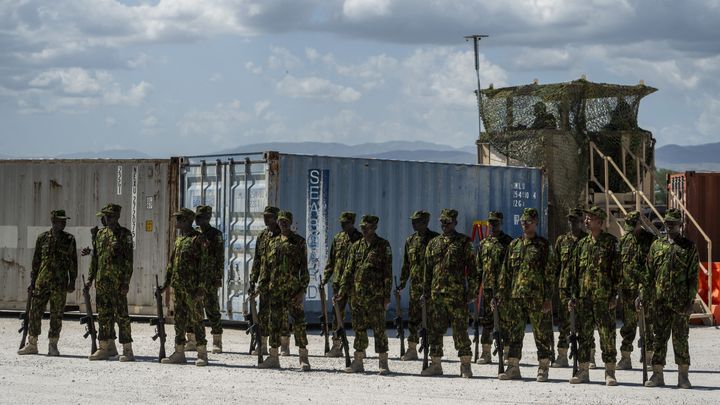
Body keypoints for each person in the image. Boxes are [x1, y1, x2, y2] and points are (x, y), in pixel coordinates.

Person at [495, 208, 553, 382]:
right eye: (522, 221)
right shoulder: (514, 245)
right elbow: (505, 272)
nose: (525, 224)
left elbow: (550, 273)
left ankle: (543, 367)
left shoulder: (543, 245)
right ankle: (513, 366)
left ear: (535, 222)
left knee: (541, 333)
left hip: (537, 297)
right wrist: (500, 294)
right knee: (514, 333)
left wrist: (548, 297)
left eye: (528, 221)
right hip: (516, 297)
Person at [644, 209, 699, 389]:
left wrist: (690, 301)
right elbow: (648, 274)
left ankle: (683, 376)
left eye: (674, 223)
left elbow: (693, 276)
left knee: (681, 338)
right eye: (667, 222)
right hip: (659, 302)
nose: (670, 226)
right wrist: (642, 294)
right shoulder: (656, 246)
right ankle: (657, 374)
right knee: (658, 338)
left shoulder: (689, 247)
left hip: (680, 302)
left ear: (680, 225)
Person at [421, 209, 477, 378]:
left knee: (460, 330)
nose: (445, 225)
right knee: (435, 330)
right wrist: (425, 292)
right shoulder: (433, 243)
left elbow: (473, 269)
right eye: (442, 222)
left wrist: (472, 291)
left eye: (448, 222)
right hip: (437, 294)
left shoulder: (464, 242)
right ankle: (436, 364)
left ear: (455, 223)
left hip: (457, 295)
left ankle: (465, 365)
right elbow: (427, 270)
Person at [569, 206, 620, 386]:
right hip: (584, 298)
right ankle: (583, 370)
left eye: (590, 218)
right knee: (584, 335)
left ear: (599, 221)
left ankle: (610, 372)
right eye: (586, 218)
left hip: (604, 298)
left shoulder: (611, 242)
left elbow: (617, 272)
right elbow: (574, 272)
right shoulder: (581, 244)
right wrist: (573, 296)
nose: (586, 220)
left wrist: (614, 296)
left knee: (607, 334)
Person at [336, 215, 393, 375]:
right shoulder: (356, 247)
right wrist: (342, 289)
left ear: (374, 227)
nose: (363, 230)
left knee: (379, 329)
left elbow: (387, 272)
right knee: (359, 328)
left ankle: (383, 362)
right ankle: (358, 361)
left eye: (366, 228)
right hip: (357, 296)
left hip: (376, 296)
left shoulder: (383, 245)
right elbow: (348, 270)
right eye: (362, 228)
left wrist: (386, 295)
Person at [18, 210, 77, 356]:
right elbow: (36, 261)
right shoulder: (42, 238)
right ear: (53, 221)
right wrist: (33, 281)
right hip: (42, 282)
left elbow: (73, 262)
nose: (64, 223)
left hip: (60, 283)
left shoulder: (69, 239)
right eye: (61, 220)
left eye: (65, 220)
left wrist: (72, 281)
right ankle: (32, 344)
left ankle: (53, 344)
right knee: (35, 312)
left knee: (56, 314)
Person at [257, 211, 311, 370]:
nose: (283, 224)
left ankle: (303, 358)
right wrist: (262, 287)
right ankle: (273, 357)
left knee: (299, 324)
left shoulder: (299, 242)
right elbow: (266, 268)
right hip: (274, 292)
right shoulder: (271, 243)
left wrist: (302, 290)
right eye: (280, 221)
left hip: (293, 292)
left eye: (286, 221)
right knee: (274, 324)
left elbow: (304, 269)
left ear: (291, 222)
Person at [159, 208, 209, 366]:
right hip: (178, 288)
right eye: (177, 219)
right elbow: (171, 264)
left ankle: (202, 354)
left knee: (197, 320)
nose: (177, 222)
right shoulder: (179, 240)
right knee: (179, 320)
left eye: (180, 219)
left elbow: (204, 265)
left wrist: (201, 288)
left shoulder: (198, 239)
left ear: (188, 220)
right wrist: (165, 285)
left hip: (192, 289)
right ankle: (179, 352)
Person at [86, 204, 135, 361]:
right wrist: (89, 279)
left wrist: (125, 282)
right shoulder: (100, 234)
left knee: (122, 316)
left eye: (111, 216)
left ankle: (127, 350)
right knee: (103, 315)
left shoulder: (125, 234)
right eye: (106, 216)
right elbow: (95, 259)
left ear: (118, 216)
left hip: (118, 283)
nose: (108, 219)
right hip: (102, 282)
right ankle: (104, 348)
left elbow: (129, 261)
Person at [397, 210, 438, 361]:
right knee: (413, 318)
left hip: (432, 287)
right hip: (415, 287)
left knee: (432, 319)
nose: (413, 223)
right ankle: (412, 349)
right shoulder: (410, 240)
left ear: (425, 222)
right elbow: (406, 264)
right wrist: (402, 282)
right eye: (413, 221)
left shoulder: (435, 239)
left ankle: (433, 351)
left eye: (417, 221)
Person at [617, 210, 656, 370]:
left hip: (646, 289)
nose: (632, 229)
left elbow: (654, 266)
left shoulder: (651, 240)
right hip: (628, 290)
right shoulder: (625, 240)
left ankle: (649, 357)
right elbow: (620, 265)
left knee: (648, 324)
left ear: (640, 223)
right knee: (628, 325)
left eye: (634, 225)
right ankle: (626, 358)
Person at [186, 205, 225, 354]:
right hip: (194, 278)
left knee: (212, 308)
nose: (198, 220)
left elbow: (220, 258)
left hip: (209, 279)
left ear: (208, 218)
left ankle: (217, 341)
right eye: (197, 217)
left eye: (201, 217)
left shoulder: (215, 235)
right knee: (193, 309)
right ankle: (192, 339)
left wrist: (218, 277)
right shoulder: (193, 234)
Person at [322, 211, 362, 357]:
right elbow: (331, 261)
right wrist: (325, 278)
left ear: (352, 222)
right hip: (338, 283)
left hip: (354, 285)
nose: (343, 225)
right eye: (342, 223)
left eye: (346, 223)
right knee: (337, 314)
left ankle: (360, 348)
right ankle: (336, 345)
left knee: (357, 315)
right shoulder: (338, 238)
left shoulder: (360, 239)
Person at [551, 208, 587, 368]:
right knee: (564, 322)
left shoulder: (587, 240)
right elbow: (555, 265)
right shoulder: (562, 240)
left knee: (584, 322)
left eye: (575, 220)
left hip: (582, 288)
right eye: (570, 220)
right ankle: (562, 355)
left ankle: (587, 355)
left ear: (582, 221)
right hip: (565, 287)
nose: (572, 223)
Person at [476, 211, 513, 364]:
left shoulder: (509, 242)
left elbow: (512, 268)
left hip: (503, 289)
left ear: (501, 223)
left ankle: (507, 351)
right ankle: (486, 352)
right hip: (488, 289)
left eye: (495, 223)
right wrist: (475, 287)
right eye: (490, 223)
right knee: (487, 321)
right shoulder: (483, 244)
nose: (492, 226)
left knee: (505, 320)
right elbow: (478, 268)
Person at [249, 206, 281, 356]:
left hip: (279, 282)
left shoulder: (283, 236)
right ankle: (262, 345)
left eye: (269, 216)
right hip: (264, 282)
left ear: (276, 218)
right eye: (265, 216)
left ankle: (281, 345)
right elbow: (257, 260)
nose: (266, 219)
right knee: (263, 314)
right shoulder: (262, 236)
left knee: (278, 316)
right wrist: (252, 280)